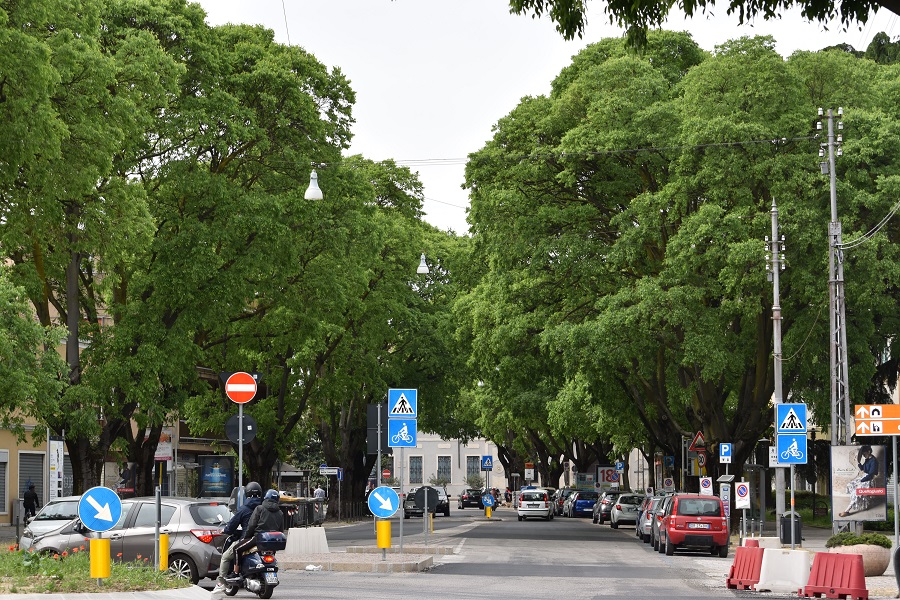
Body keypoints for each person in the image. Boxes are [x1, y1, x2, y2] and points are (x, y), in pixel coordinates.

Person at [212, 482, 263, 594]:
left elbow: (231, 526)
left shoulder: (244, 509)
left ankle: (221, 583)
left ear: (246, 494)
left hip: (247, 538)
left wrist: (224, 530)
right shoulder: (263, 507)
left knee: (225, 556)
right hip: (262, 539)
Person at [230, 489, 285, 576]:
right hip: (272, 543)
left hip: (258, 538)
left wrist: (246, 537)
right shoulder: (280, 512)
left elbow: (251, 525)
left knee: (236, 549)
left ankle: (235, 572)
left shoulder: (260, 508)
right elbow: (281, 530)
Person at [839, 445, 878, 518]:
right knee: (850, 485)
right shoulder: (868, 459)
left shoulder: (874, 461)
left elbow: (871, 474)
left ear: (869, 452)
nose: (863, 455)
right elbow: (863, 469)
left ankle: (847, 511)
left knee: (857, 492)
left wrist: (862, 480)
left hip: (868, 479)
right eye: (862, 454)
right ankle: (858, 501)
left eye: (864, 454)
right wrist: (859, 464)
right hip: (864, 477)